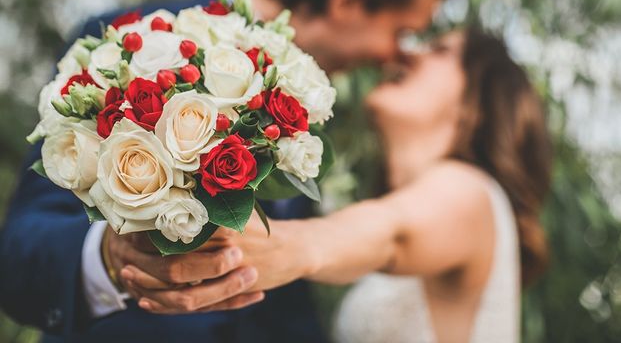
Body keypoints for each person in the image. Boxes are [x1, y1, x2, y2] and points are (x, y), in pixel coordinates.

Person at [0, 0, 458, 342]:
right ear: (349, 0)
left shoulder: (301, 107)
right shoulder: (122, 42)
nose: (394, 56)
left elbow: (281, 308)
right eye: (400, 31)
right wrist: (111, 260)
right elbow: (18, 257)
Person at [128, 28, 552, 342]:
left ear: (474, 104)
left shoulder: (472, 193)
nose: (408, 52)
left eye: (439, 50)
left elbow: (392, 232)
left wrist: (290, 246)